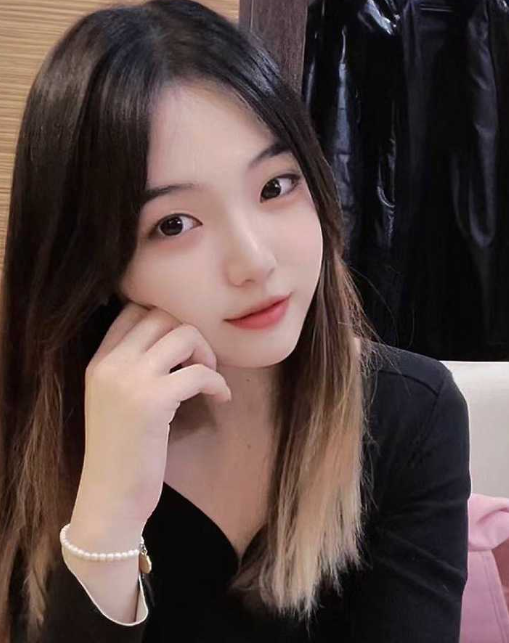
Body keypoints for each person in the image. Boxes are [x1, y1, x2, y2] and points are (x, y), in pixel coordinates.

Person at [0, 1, 471, 641]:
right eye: (174, 224)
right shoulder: (37, 425)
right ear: (96, 260)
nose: (255, 261)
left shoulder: (409, 413)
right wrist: (107, 516)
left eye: (276, 186)